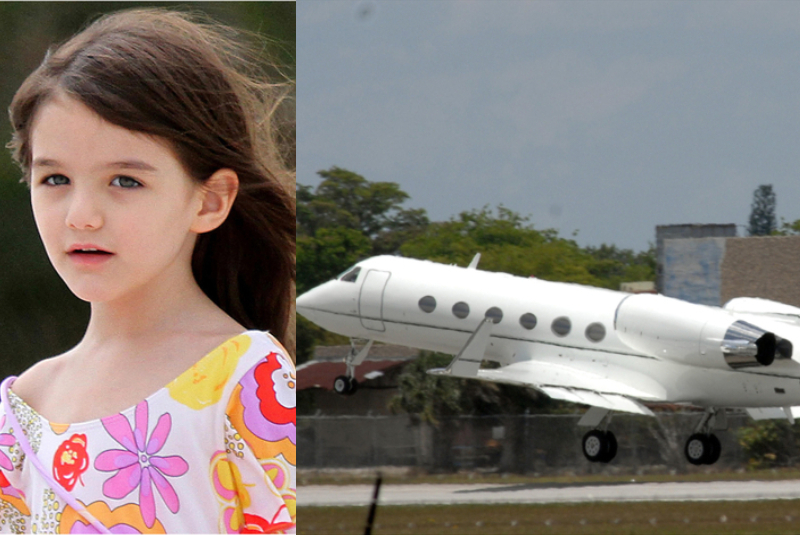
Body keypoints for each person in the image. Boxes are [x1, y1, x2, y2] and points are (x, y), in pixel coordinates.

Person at [0, 8, 296, 533]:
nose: (81, 216)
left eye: (125, 181)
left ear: (210, 200)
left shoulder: (248, 378)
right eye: (55, 179)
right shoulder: (23, 404)